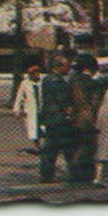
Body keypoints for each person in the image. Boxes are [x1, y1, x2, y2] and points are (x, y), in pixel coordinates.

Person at [36, 54, 75, 182]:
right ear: (59, 67)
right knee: (67, 147)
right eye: (67, 66)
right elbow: (63, 100)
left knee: (50, 148)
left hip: (50, 118)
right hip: (59, 118)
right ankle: (75, 173)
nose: (69, 69)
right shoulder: (57, 81)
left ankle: (46, 174)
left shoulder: (47, 79)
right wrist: (69, 113)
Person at [66, 53, 103, 181]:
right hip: (87, 120)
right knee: (88, 147)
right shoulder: (92, 83)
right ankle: (82, 174)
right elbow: (94, 104)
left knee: (75, 146)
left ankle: (75, 172)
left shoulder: (72, 80)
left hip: (73, 118)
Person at [11, 65, 42, 150]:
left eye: (38, 73)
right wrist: (16, 109)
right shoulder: (25, 84)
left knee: (43, 128)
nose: (37, 75)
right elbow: (19, 97)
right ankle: (38, 146)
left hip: (41, 108)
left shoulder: (41, 83)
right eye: (35, 73)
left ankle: (44, 146)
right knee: (33, 129)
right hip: (31, 110)